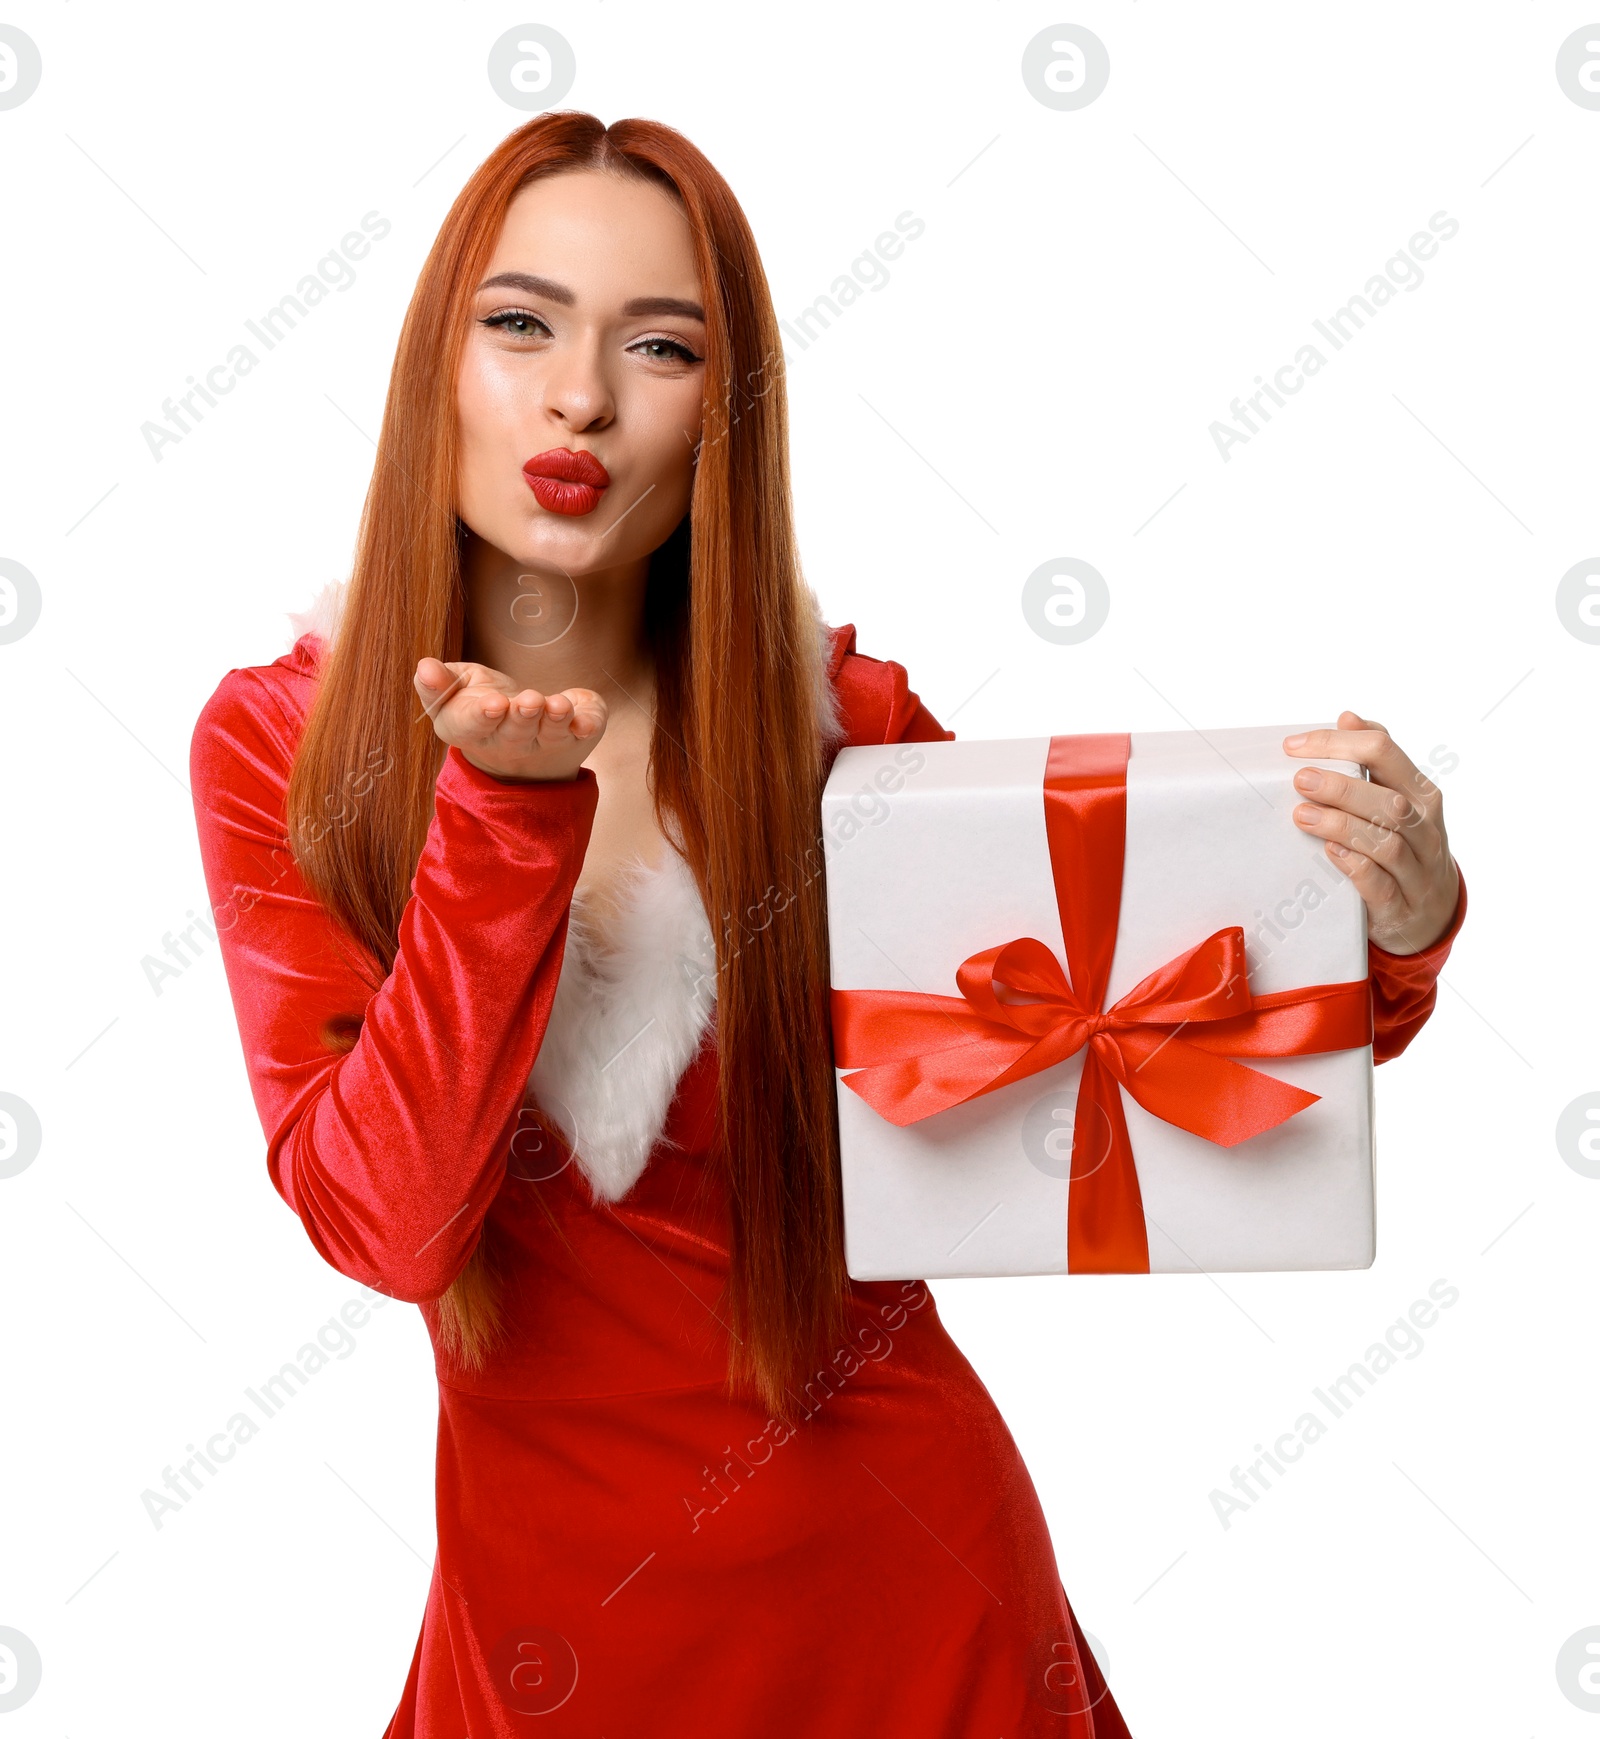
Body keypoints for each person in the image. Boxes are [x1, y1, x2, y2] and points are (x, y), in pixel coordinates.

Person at [190, 111, 1465, 1737]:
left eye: (658, 346)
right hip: (545, 1642)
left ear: (724, 413)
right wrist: (504, 821)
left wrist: (1396, 932)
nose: (580, 395)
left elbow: (1120, 1042)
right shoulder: (287, 747)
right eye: (520, 324)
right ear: (435, 362)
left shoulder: (844, 732)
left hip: (914, 1601)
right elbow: (387, 1224)